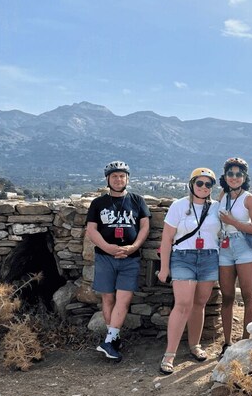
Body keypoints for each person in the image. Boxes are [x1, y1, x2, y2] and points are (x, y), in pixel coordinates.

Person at [156, 168, 221, 375]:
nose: (203, 187)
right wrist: (164, 267)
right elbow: (167, 239)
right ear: (191, 184)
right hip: (183, 257)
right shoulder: (179, 206)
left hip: (209, 257)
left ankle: (195, 345)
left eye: (208, 184)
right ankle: (169, 354)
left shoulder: (216, 208)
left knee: (200, 303)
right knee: (183, 303)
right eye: (199, 183)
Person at [85, 161, 151, 362]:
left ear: (127, 178)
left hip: (130, 258)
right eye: (114, 176)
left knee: (124, 298)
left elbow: (144, 227)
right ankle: (113, 338)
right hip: (106, 257)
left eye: (122, 176)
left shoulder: (137, 200)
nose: (118, 179)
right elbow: (91, 230)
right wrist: (108, 247)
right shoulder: (98, 203)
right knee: (108, 298)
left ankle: (110, 340)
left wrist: (133, 247)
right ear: (107, 179)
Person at [218, 157, 252, 357]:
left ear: (244, 177)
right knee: (227, 296)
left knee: (247, 295)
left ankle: (245, 342)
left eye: (238, 174)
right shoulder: (222, 196)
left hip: (244, 246)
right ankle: (226, 343)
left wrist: (233, 222)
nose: (234, 177)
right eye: (230, 174)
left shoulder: (249, 199)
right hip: (225, 246)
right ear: (225, 176)